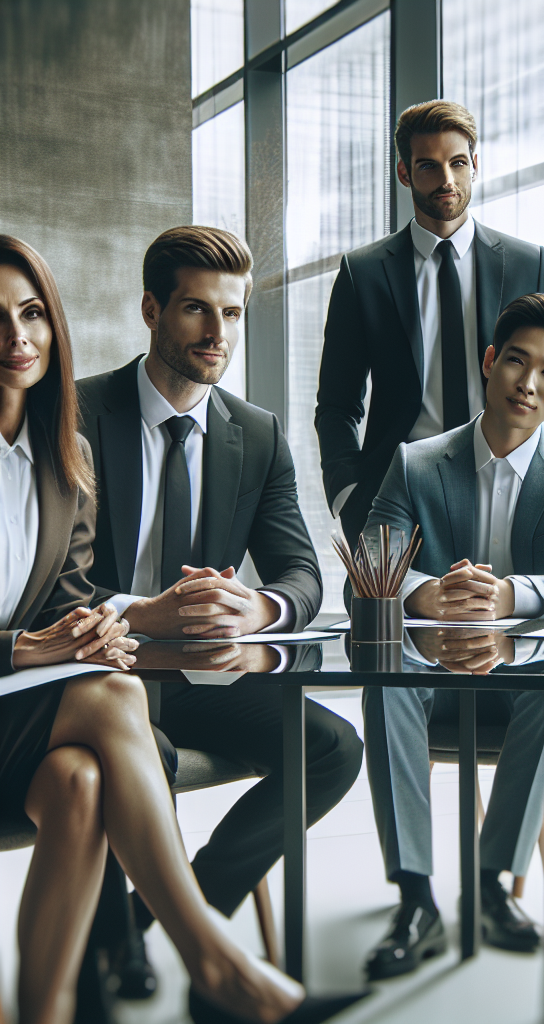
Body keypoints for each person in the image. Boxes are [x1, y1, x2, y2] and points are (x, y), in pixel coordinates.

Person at [0, 235, 363, 1024]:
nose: (217, 332)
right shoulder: (72, 411)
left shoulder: (258, 433)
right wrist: (141, 610)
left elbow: (301, 573)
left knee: (334, 748)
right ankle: (160, 963)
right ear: (152, 311)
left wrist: (257, 609)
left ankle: (155, 921)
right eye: (198, 308)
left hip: (191, 675)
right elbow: (53, 596)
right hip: (91, 671)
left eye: (232, 313)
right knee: (109, 751)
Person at [359, 293, 544, 979]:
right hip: (441, 667)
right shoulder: (416, 463)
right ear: (489, 362)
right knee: (386, 684)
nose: (527, 384)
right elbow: (367, 572)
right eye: (515, 361)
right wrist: (430, 593)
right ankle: (415, 897)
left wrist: (509, 597)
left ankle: (489, 884)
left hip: (537, 671)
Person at [315, 99, 544, 545]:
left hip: (511, 482)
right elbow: (338, 404)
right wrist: (349, 493)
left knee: (513, 609)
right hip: (400, 492)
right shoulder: (362, 274)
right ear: (405, 173)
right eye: (428, 166)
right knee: (393, 613)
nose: (446, 180)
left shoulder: (527, 263)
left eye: (458, 163)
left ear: (474, 165)